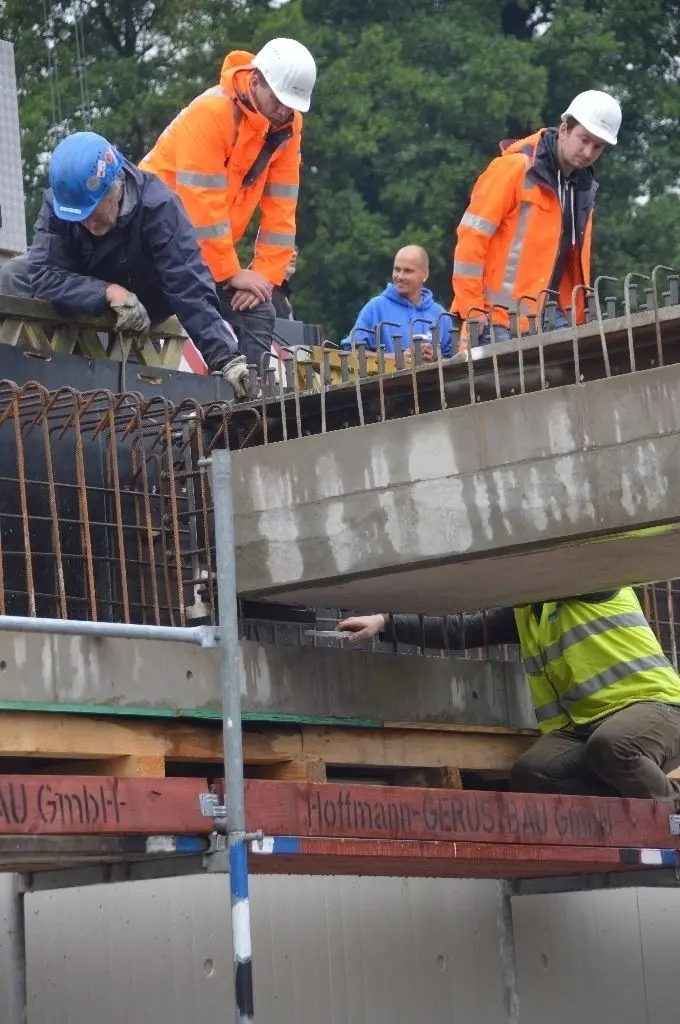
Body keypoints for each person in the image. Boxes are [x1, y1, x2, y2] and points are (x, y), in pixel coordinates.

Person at [336, 587, 680, 801]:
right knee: (535, 771)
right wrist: (385, 622)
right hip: (585, 725)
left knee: (613, 746)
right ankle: (633, 811)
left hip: (655, 707)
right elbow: (462, 630)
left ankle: (671, 811)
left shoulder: (591, 586)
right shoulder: (526, 612)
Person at [2, 131, 250, 397]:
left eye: (92, 214)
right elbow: (43, 273)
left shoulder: (159, 208)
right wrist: (106, 292)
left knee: (127, 398)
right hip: (86, 291)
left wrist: (226, 359)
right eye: (78, 218)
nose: (87, 224)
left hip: (143, 306)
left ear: (116, 188)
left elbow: (189, 287)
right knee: (12, 274)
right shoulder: (62, 202)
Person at [140, 38, 316, 375]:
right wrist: (231, 273)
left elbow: (282, 209)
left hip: (203, 257)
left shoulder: (288, 127)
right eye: (278, 100)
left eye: (291, 106)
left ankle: (247, 406)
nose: (283, 111)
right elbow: (198, 207)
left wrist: (263, 277)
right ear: (255, 79)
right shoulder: (211, 112)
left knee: (260, 310)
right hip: (153, 245)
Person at [451, 90, 622, 347]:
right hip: (497, 319)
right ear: (564, 129)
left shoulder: (582, 189)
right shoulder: (513, 169)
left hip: (553, 316)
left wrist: (576, 316)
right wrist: (472, 308)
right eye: (584, 139)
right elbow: (471, 239)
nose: (588, 152)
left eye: (598, 146)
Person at [341, 245, 453, 361]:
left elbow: (454, 361)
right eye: (397, 269)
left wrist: (435, 359)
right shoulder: (375, 308)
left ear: (425, 274)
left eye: (408, 271)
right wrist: (398, 358)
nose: (400, 276)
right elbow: (350, 352)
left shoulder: (440, 315)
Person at [271, 247, 297, 320]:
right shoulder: (266, 294)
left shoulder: (284, 295)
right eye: (287, 248)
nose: (295, 253)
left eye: (295, 249)